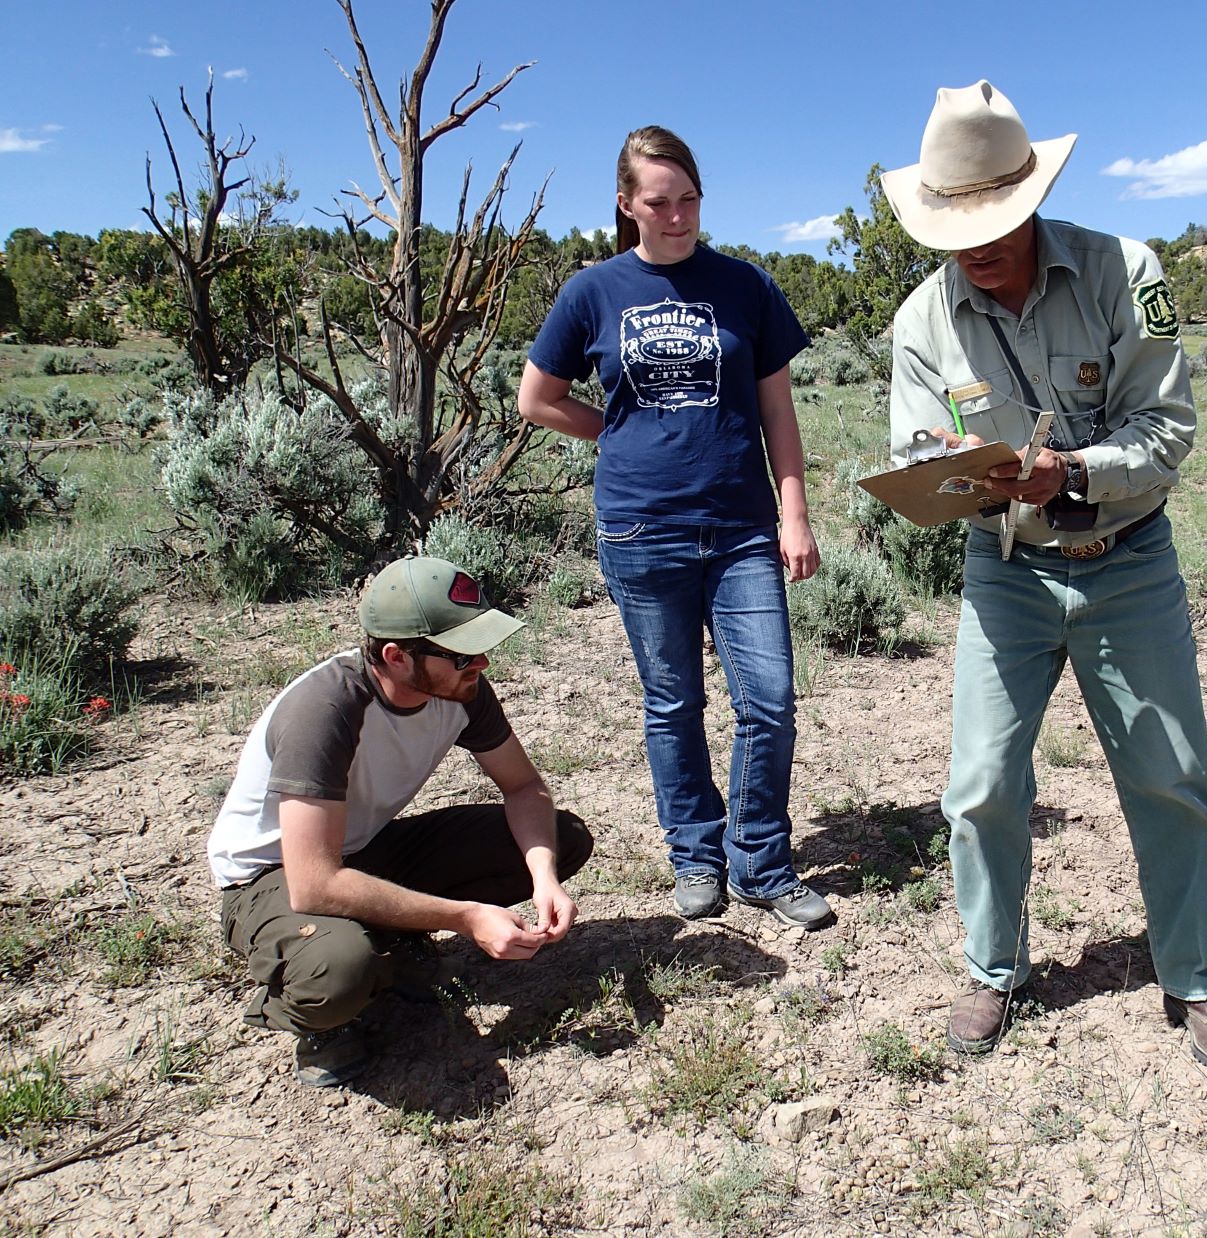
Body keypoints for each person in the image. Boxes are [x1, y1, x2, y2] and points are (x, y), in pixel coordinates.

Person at [881, 81, 1207, 1077]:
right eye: (956, 229)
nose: (978, 246)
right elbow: (914, 449)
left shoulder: (1122, 273)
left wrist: (1075, 473)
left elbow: (1168, 427)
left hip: (1127, 561)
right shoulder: (922, 320)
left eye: (996, 221)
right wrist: (958, 471)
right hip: (1003, 569)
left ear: (1030, 198)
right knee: (979, 783)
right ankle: (991, 967)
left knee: (1170, 776)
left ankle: (1199, 978)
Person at [516, 126, 832, 931]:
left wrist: (794, 511)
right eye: (660, 201)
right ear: (627, 205)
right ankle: (696, 854)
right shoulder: (594, 292)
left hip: (741, 528)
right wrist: (615, 430)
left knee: (769, 701)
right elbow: (537, 397)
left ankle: (760, 859)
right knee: (673, 703)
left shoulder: (746, 286)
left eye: (689, 198)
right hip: (640, 529)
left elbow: (776, 409)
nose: (678, 214)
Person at [206, 556, 595, 1087]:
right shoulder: (326, 710)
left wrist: (544, 878)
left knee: (560, 838)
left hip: (360, 849)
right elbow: (314, 883)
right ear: (396, 656)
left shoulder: (461, 690)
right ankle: (313, 1013)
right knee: (338, 970)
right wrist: (465, 917)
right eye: (460, 652)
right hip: (272, 877)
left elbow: (525, 787)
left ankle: (389, 941)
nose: (479, 662)